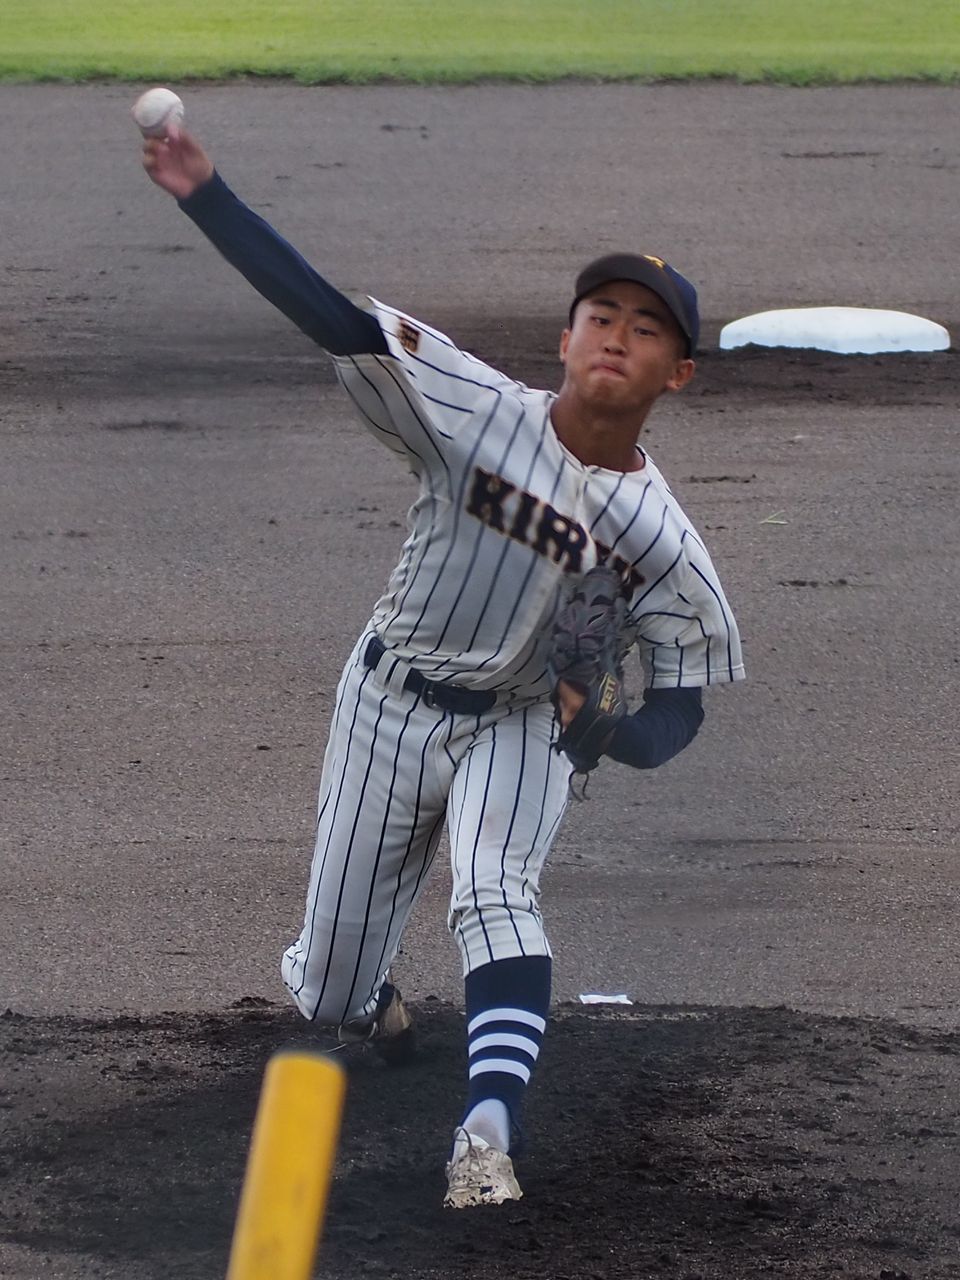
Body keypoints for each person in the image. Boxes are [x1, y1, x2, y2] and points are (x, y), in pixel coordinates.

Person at [141, 123, 745, 1209]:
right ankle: (374, 997)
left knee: (497, 891)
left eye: (646, 328)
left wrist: (602, 728)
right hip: (388, 699)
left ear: (678, 371)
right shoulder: (469, 407)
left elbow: (681, 706)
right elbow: (335, 317)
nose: (617, 334)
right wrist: (206, 195)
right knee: (324, 986)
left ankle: (484, 1132)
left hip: (522, 724)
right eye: (600, 316)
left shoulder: (663, 544)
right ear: (564, 338)